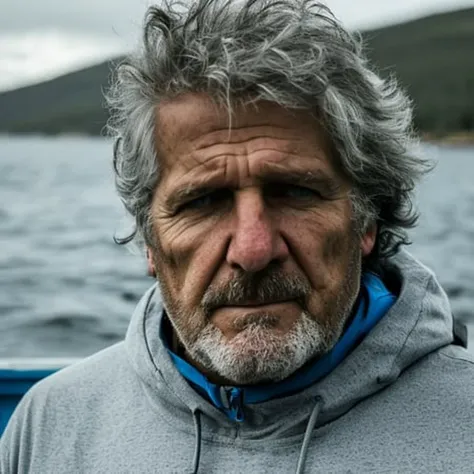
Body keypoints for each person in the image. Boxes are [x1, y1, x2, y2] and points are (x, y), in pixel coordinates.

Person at [1, 0, 473, 472]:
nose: (253, 250)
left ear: (366, 222)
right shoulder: (50, 426)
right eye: (203, 202)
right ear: (150, 238)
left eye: (294, 192)